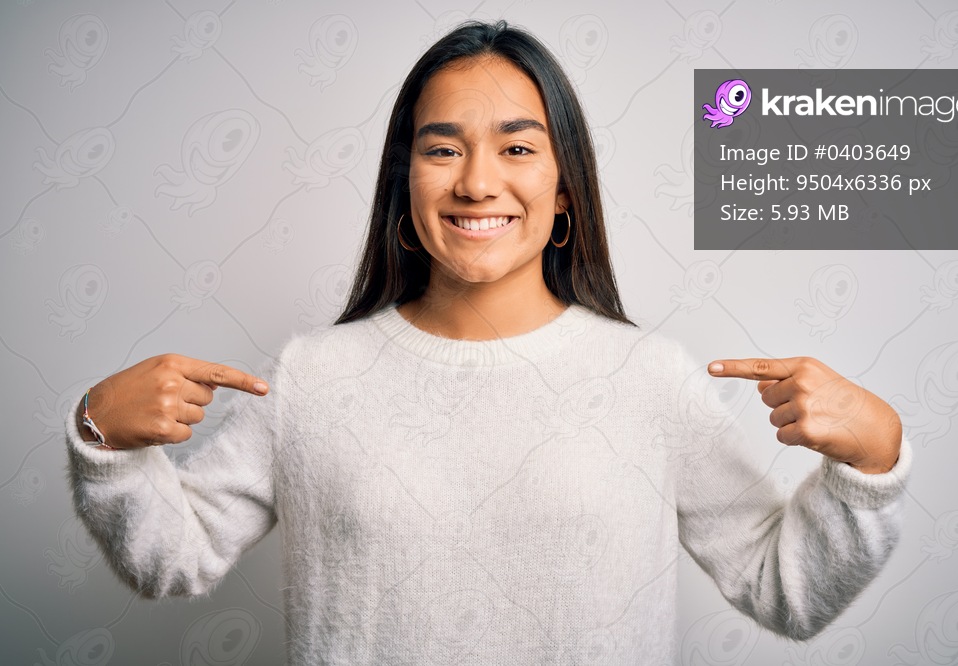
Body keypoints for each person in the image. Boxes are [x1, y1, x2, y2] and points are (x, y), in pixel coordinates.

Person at [67, 20, 908, 664]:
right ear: (406, 185)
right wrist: (102, 436)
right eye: (442, 149)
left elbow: (784, 589)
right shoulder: (314, 378)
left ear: (564, 187)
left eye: (516, 146)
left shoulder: (647, 380)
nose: (476, 181)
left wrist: (873, 460)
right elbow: (173, 559)